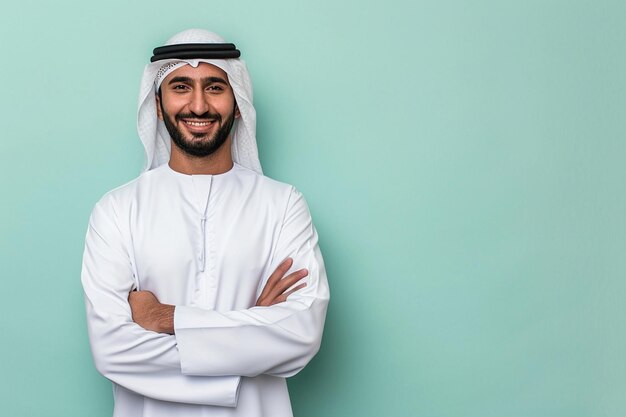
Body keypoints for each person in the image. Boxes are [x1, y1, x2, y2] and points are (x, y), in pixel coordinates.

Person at [81, 28, 330, 417]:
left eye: (214, 87)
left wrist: (166, 318)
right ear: (158, 105)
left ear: (238, 102)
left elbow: (301, 333)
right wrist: (253, 328)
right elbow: (112, 349)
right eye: (181, 86)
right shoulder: (117, 210)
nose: (198, 106)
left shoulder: (283, 205)